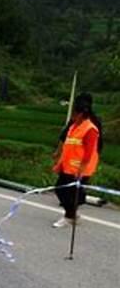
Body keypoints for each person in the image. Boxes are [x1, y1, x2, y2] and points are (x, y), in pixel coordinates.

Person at [51, 93, 101, 228]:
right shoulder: (73, 126)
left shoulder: (90, 128)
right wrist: (59, 163)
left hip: (79, 169)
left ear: (80, 114)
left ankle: (69, 217)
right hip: (68, 166)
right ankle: (73, 215)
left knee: (70, 194)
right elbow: (68, 146)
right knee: (60, 189)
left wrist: (81, 169)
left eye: (74, 114)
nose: (72, 116)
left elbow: (89, 152)